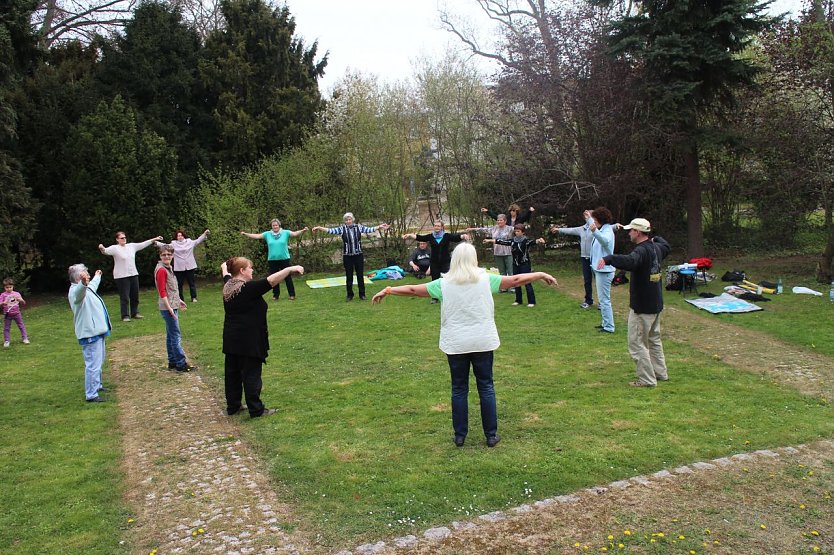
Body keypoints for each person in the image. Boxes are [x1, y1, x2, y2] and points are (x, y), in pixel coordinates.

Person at [372, 243, 557, 447]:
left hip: (456, 343)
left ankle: (460, 436)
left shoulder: (443, 284)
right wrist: (539, 274)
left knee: (459, 389)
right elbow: (515, 280)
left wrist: (388, 289)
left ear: (454, 260)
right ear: (474, 259)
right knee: (486, 386)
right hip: (482, 341)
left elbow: (413, 290)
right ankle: (491, 435)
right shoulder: (487, 280)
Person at [221, 257, 304, 417]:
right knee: (251, 374)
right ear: (242, 271)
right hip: (248, 339)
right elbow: (271, 281)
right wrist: (289, 269)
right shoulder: (247, 288)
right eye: (250, 267)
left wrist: (227, 264)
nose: (252, 270)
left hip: (231, 338)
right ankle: (256, 409)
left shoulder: (228, 285)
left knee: (233, 373)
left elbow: (224, 269)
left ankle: (233, 406)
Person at [600, 218, 671, 387]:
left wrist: (609, 258)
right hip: (656, 304)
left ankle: (647, 380)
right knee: (654, 339)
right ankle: (660, 373)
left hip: (643, 306)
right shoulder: (656, 248)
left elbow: (630, 262)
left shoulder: (641, 251)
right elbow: (666, 246)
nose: (629, 233)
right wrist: (657, 238)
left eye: (631, 230)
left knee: (636, 343)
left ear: (638, 232)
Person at [312, 213, 389, 301]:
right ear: (345, 221)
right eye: (346, 220)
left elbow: (370, 229)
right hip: (347, 256)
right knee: (349, 276)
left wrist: (380, 226)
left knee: (360, 275)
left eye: (350, 219)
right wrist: (319, 228)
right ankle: (349, 295)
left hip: (358, 255)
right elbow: (330, 230)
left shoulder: (359, 227)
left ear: (353, 219)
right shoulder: (342, 229)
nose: (348, 221)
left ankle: (362, 294)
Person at [68, 264, 112, 403]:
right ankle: (91, 394)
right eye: (85, 272)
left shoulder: (86, 288)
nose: (87, 273)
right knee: (93, 364)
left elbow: (91, 286)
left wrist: (97, 276)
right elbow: (79, 294)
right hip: (89, 334)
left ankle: (97, 385)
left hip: (97, 331)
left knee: (98, 361)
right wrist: (83, 283)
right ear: (78, 277)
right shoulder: (76, 291)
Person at [99, 231, 163, 322]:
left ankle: (135, 313)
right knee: (124, 297)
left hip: (133, 274)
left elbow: (143, 244)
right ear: (117, 239)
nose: (124, 239)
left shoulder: (131, 246)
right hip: (121, 276)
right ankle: (125, 315)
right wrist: (101, 248)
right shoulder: (115, 248)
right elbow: (105, 251)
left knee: (135, 295)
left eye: (124, 237)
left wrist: (155, 239)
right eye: (121, 238)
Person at [403, 221, 469, 303]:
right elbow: (420, 237)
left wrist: (463, 236)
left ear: (441, 227)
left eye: (438, 226)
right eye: (435, 226)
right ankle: (435, 298)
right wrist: (409, 235)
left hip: (445, 262)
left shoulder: (446, 236)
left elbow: (456, 238)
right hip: (434, 263)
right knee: (435, 280)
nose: (436, 227)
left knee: (448, 279)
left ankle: (449, 295)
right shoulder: (430, 236)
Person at [241, 219, 307, 301]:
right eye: (273, 225)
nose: (275, 226)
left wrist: (303, 230)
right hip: (272, 260)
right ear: (271, 226)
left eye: (276, 225)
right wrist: (245, 234)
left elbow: (295, 233)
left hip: (284, 259)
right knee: (274, 278)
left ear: (279, 225)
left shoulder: (285, 233)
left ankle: (292, 294)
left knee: (287, 277)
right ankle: (276, 295)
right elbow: (257, 236)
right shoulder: (267, 234)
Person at [155, 245, 194, 372]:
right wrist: (170, 308)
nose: (166, 256)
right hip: (168, 307)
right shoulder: (161, 270)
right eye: (164, 254)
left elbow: (171, 289)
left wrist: (179, 300)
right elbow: (162, 291)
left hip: (171, 304)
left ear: (172, 255)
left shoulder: (168, 268)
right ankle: (181, 363)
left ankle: (172, 361)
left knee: (170, 335)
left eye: (169, 254)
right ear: (160, 256)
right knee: (176, 335)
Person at [487, 224, 547, 307]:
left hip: (525, 264)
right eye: (515, 231)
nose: (516, 232)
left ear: (523, 232)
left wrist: (539, 240)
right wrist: (490, 241)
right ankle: (518, 300)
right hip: (515, 264)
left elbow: (534, 242)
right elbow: (502, 242)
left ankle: (531, 302)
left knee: (527, 282)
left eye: (518, 231)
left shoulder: (525, 241)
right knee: (516, 283)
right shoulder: (512, 241)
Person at [551, 210, 595, 309]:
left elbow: (610, 228)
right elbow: (570, 230)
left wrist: (616, 226)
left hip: (595, 258)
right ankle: (588, 300)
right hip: (585, 258)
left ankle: (602, 302)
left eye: (589, 216)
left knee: (599, 281)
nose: (587, 218)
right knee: (587, 280)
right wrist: (559, 229)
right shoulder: (582, 229)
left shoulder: (597, 228)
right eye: (586, 216)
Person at [155, 228, 210, 303]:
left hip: (190, 265)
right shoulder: (173, 244)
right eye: (178, 236)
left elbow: (198, 240)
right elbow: (165, 245)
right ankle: (180, 298)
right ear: (176, 237)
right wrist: (156, 243)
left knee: (191, 283)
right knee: (179, 284)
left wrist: (204, 234)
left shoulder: (189, 242)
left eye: (181, 235)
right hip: (179, 267)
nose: (180, 237)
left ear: (184, 236)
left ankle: (194, 297)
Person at [588, 207, 616, 333]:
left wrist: (594, 231)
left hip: (605, 270)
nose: (593, 222)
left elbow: (605, 242)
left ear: (599, 220)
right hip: (599, 269)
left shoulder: (607, 231)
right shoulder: (603, 229)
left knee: (604, 300)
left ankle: (609, 327)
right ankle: (605, 323)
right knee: (602, 299)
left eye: (594, 219)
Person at [466, 214, 514, 286]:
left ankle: (511, 287)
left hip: (508, 252)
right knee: (502, 272)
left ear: (505, 221)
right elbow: (483, 230)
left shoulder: (510, 229)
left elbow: (520, 229)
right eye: (498, 220)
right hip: (497, 252)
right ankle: (503, 287)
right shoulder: (494, 229)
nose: (499, 222)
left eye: (501, 220)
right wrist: (472, 229)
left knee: (510, 271)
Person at [1, 278, 29, 347]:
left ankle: (25, 338)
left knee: (21, 326)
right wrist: (3, 303)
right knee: (6, 328)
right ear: (4, 287)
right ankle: (7, 341)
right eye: (7, 287)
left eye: (10, 287)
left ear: (13, 286)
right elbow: (0, 303)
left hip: (17, 313)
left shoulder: (17, 294)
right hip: (7, 314)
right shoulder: (3, 295)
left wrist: (21, 300)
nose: (9, 289)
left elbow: (23, 303)